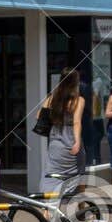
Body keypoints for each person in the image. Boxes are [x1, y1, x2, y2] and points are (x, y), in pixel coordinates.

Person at [40, 68, 85, 199]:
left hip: (55, 144)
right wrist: (76, 142)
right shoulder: (78, 100)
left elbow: (39, 116)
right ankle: (81, 205)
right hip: (70, 142)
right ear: (75, 82)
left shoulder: (52, 99)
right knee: (79, 175)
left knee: (51, 174)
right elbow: (76, 122)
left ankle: (46, 208)